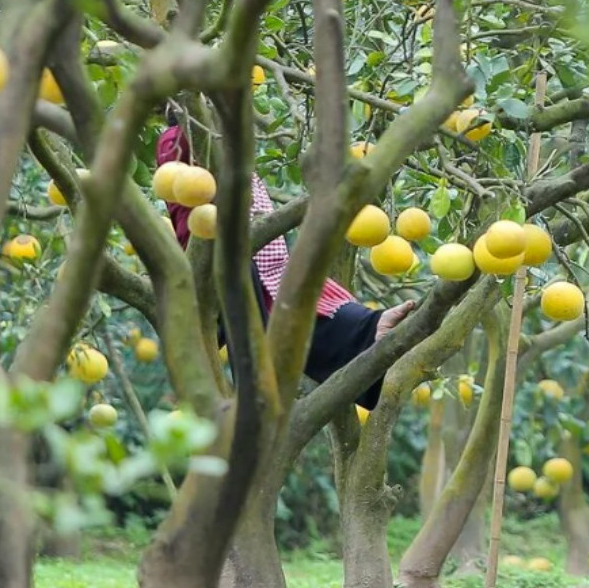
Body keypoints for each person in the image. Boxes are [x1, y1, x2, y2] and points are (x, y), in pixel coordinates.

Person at [155, 117, 414, 406]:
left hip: (266, 268)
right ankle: (253, 405)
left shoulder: (223, 137)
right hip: (230, 262)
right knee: (262, 336)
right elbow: (188, 219)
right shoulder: (180, 139)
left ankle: (371, 330)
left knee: (311, 309)